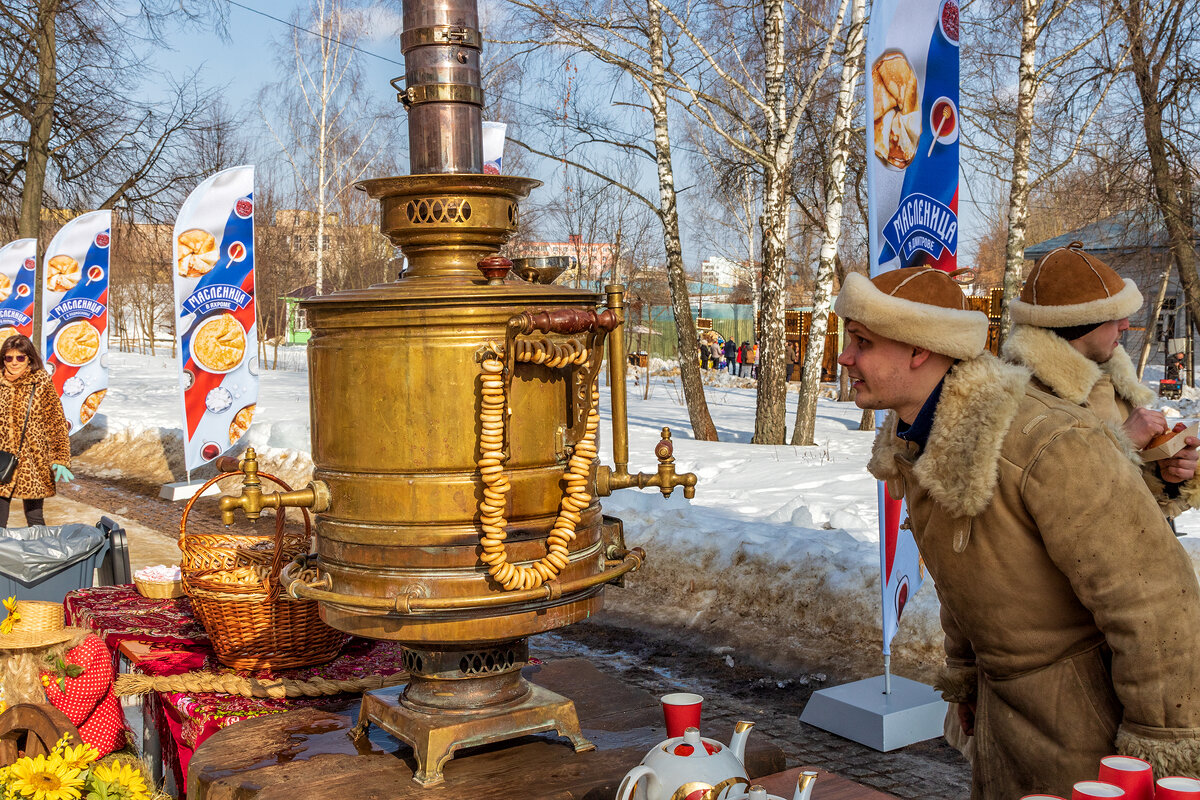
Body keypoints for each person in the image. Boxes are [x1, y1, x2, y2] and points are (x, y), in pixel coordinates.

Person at [833, 267, 1200, 799]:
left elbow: (1156, 601)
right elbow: (967, 575)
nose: (845, 357)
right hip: (1005, 716)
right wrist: (964, 672)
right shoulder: (918, 439)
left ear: (919, 349)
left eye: (862, 342)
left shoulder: (1047, 440)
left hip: (1087, 728)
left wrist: (1159, 744)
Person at [1001, 242, 1200, 517]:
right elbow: (1060, 509)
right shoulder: (1020, 400)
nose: (1126, 325)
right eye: (1113, 316)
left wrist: (1166, 478)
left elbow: (1131, 508)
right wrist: (1121, 442)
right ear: (1079, 325)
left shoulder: (1113, 384)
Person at [0, 598, 128, 756]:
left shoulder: (88, 651)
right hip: (32, 738)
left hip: (83, 745)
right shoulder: (18, 662)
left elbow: (65, 718)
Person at [0, 335, 72, 528]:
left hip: (33, 461)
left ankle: (40, 556)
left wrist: (60, 458)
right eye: (9, 358)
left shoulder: (41, 383)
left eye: (20, 358)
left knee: (35, 519)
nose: (14, 363)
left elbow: (56, 423)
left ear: (29, 359)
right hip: (1, 459)